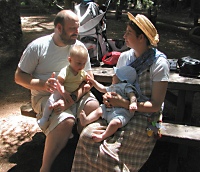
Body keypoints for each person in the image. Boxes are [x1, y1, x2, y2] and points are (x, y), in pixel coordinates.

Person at [72, 12, 170, 172]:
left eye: (129, 33)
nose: (124, 36)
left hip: (145, 116)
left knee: (110, 154)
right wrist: (109, 98)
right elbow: (114, 87)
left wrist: (123, 103)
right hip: (117, 111)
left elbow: (155, 105)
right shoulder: (125, 58)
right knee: (87, 137)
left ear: (141, 38)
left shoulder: (159, 64)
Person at [15, 10, 99, 172]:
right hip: (46, 96)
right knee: (65, 120)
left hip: (76, 93)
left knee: (94, 108)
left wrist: (74, 97)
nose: (77, 32)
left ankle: (84, 157)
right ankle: (45, 168)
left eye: (78, 28)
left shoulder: (79, 47)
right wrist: (43, 84)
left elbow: (89, 79)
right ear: (59, 28)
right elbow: (19, 77)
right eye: (72, 29)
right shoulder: (37, 47)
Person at [79, 66, 140, 142]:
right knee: (98, 110)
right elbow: (102, 88)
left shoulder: (126, 87)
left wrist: (133, 103)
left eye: (115, 75)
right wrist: (93, 82)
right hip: (109, 109)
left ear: (122, 79)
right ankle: (86, 120)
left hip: (121, 113)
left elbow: (132, 95)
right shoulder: (113, 87)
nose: (113, 76)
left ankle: (103, 136)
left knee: (115, 123)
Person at [38, 45, 90, 131]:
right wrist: (64, 93)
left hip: (72, 93)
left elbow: (87, 80)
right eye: (79, 63)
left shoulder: (82, 72)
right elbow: (59, 82)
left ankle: (70, 130)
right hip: (61, 91)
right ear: (70, 60)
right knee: (51, 101)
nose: (82, 66)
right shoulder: (66, 71)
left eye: (84, 63)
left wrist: (88, 82)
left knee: (72, 110)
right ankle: (44, 118)